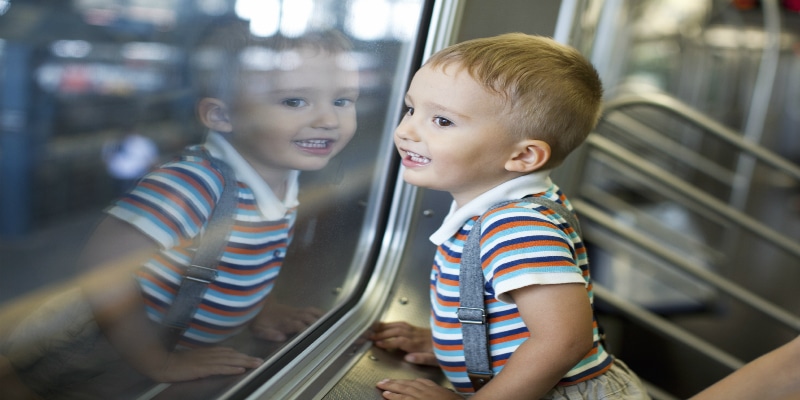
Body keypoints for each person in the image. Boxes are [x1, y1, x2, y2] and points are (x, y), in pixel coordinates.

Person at [1, 21, 360, 396]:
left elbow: (234, 258)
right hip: (101, 349)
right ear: (221, 117)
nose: (329, 120)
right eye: (294, 101)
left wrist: (260, 309)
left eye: (342, 100)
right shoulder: (195, 185)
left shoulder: (283, 175)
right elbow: (102, 268)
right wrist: (157, 361)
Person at [371, 33, 649, 399]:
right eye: (411, 109)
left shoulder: (516, 224)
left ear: (523, 157)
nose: (406, 131)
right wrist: (456, 343)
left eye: (442, 121)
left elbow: (565, 339)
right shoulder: (507, 205)